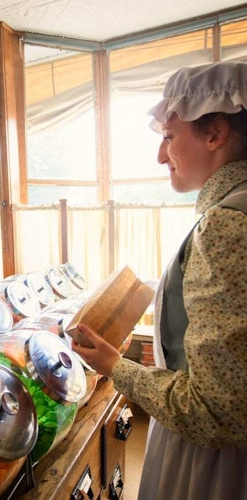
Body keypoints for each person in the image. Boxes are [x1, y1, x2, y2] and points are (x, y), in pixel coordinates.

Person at [72, 61, 247, 500]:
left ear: (214, 134)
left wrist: (115, 365)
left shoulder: (226, 224)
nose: (159, 155)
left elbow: (214, 411)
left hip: (215, 467)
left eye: (169, 137)